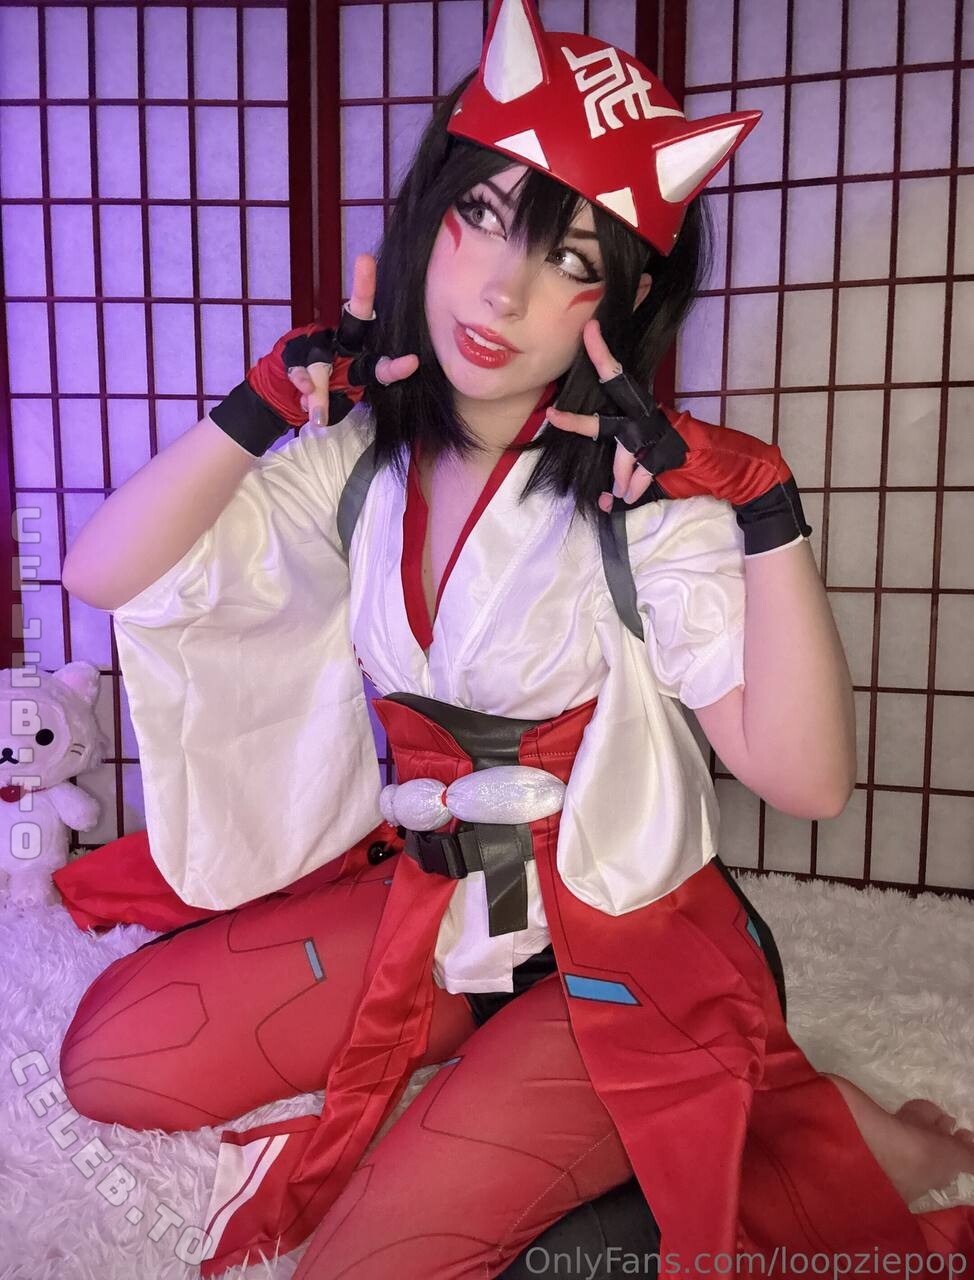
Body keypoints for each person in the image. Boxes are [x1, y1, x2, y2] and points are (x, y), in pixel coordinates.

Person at [56, 2, 974, 1277]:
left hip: (618, 930)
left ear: (627, 296)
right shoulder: (353, 464)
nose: (502, 288)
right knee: (110, 1056)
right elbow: (104, 572)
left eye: (568, 258)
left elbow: (806, 781)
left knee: (362, 1266)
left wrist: (764, 509)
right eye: (481, 217)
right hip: (440, 900)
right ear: (426, 215)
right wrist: (261, 402)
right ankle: (481, 1046)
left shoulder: (648, 503)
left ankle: (761, 1100)